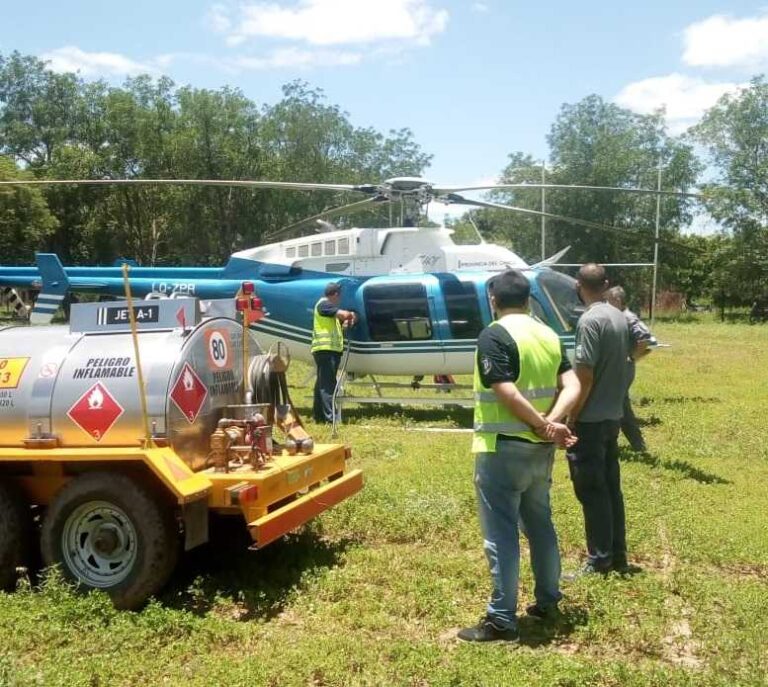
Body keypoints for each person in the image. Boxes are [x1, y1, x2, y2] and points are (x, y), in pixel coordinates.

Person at [458, 269, 580, 643]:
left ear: (493, 300)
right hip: (540, 452)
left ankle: (501, 620)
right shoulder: (547, 334)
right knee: (540, 526)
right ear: (528, 300)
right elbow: (572, 383)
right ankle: (547, 601)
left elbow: (506, 391)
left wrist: (543, 425)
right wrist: (552, 424)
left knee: (502, 534)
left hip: (504, 449)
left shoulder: (494, 334)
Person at [566, 264, 632, 576]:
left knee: (592, 491)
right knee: (610, 489)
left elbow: (585, 375)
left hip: (590, 421)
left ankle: (599, 559)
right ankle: (617, 554)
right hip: (612, 416)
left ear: (578, 285)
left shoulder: (589, 320)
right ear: (605, 284)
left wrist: (571, 415)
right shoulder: (619, 316)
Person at [606, 286, 656, 453]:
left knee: (620, 406)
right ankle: (634, 444)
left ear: (618, 301)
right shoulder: (619, 316)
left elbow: (645, 338)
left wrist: (632, 357)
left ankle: (636, 444)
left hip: (623, 369)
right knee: (619, 404)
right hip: (618, 369)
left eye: (609, 301)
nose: (607, 304)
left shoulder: (628, 317)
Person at [311, 282, 356, 424]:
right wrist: (351, 315)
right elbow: (344, 314)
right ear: (336, 294)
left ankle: (319, 416)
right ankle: (331, 420)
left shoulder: (329, 309)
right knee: (328, 386)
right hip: (326, 351)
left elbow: (339, 324)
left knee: (322, 385)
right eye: (339, 295)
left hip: (329, 351)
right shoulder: (324, 305)